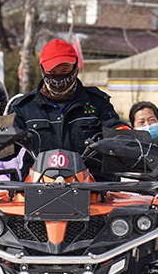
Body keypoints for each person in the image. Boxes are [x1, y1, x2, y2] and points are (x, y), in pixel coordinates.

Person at [9, 38, 127, 180]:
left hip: (94, 188)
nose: (59, 77)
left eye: (64, 70)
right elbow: (5, 151)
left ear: (75, 68)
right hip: (37, 186)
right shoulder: (24, 107)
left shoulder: (98, 102)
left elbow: (115, 128)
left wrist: (126, 135)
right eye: (53, 71)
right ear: (42, 70)